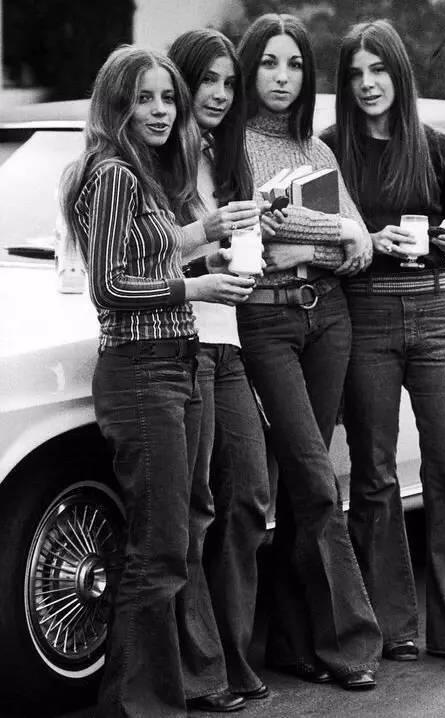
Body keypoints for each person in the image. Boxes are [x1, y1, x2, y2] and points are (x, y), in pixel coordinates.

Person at [60, 45, 256, 716]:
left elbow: (150, 256)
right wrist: (196, 286)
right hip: (142, 371)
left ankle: (150, 698)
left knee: (170, 542)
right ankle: (137, 706)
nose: (161, 110)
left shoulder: (141, 174)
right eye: (144, 98)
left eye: (167, 97)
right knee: (159, 549)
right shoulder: (114, 173)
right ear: (117, 104)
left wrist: (205, 242)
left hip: (177, 361)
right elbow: (111, 288)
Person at [321, 19, 445, 665]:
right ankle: (392, 627)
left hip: (436, 311)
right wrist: (367, 242)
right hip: (365, 314)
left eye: (379, 70)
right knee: (373, 476)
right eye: (356, 74)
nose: (368, 84)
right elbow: (322, 242)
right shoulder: (329, 150)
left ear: (399, 72)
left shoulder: (442, 148)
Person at [236, 13, 383, 690]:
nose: (282, 77)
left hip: (330, 319)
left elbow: (362, 247)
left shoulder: (319, 151)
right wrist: (334, 232)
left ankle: (293, 642)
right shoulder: (232, 145)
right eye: (270, 62)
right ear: (250, 68)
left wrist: (318, 240)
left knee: (305, 490)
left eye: (294, 64)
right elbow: (260, 225)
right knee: (318, 481)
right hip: (267, 324)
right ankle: (350, 645)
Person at [167, 29, 271, 701]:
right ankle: (199, 670)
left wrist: (248, 249)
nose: (221, 94)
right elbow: (141, 256)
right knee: (194, 509)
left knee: (251, 496)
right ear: (181, 82)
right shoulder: (157, 160)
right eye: (207, 79)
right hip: (183, 340)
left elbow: (241, 253)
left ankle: (231, 653)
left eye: (230, 83)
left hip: (228, 342)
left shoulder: (227, 162)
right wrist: (207, 251)